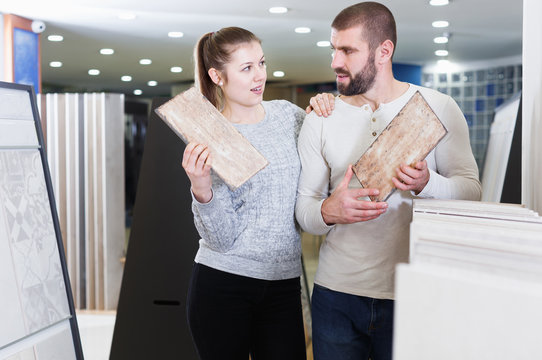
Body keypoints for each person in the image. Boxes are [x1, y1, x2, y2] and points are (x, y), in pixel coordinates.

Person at [295, 2, 482, 360]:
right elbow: (305, 209)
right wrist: (327, 211)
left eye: (347, 50)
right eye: (333, 49)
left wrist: (428, 184)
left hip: (413, 293)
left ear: (384, 50)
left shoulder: (438, 107)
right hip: (336, 295)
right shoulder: (320, 118)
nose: (335, 61)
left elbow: (472, 191)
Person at [182, 27, 308, 360]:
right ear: (216, 76)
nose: (260, 76)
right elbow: (221, 240)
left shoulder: (288, 116)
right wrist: (201, 188)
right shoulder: (213, 136)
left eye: (262, 63)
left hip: (283, 281)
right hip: (224, 283)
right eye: (247, 68)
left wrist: (324, 109)